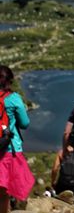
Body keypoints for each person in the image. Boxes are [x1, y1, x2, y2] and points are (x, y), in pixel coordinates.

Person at [0, 65, 34, 213]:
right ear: (10, 81)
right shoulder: (14, 98)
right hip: (9, 148)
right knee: (6, 190)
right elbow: (25, 123)